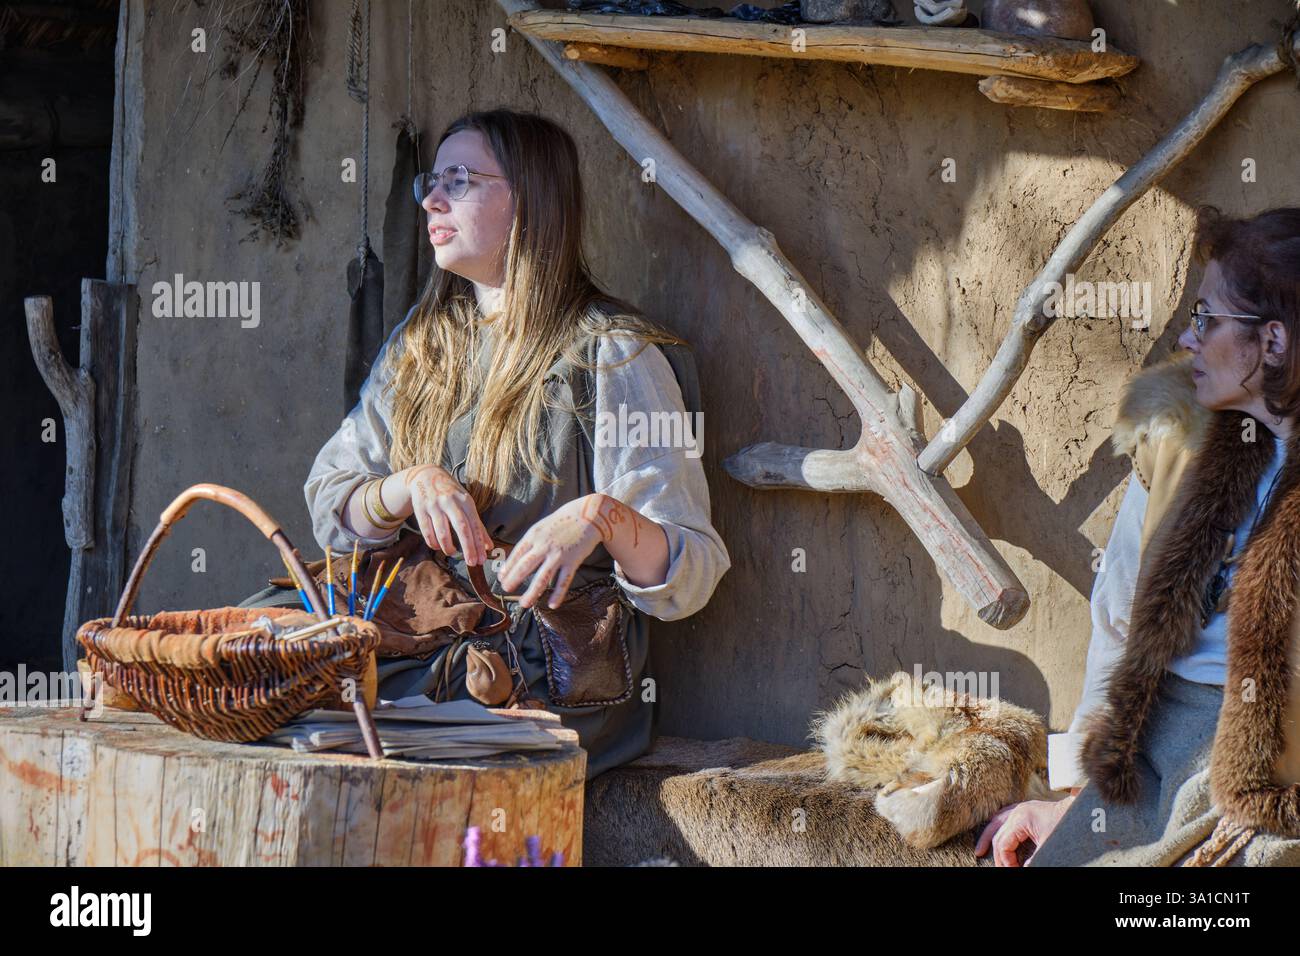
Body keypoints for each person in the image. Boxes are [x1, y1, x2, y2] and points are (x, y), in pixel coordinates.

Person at [242, 108, 730, 779]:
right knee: (250, 648)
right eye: (432, 183)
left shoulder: (612, 354)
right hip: (418, 633)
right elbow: (331, 507)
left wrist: (600, 518)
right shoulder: (424, 343)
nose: (433, 200)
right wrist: (405, 486)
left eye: (462, 181)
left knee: (336, 722)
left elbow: (691, 571)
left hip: (544, 675)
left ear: (531, 201)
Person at [977, 206, 1300, 866]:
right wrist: (1075, 789)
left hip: (1270, 782)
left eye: (1208, 319)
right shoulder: (1176, 429)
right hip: (1149, 754)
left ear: (1272, 343)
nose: (1189, 338)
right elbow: (1119, 615)